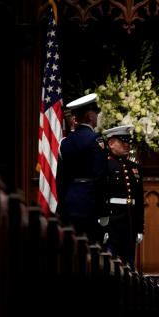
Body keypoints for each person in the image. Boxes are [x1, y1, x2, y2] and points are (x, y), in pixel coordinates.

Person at [56, 92, 107, 242]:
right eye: (95, 112)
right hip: (89, 205)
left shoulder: (65, 143)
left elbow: (61, 178)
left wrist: (63, 203)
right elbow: (100, 176)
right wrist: (103, 210)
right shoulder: (96, 141)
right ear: (89, 116)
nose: (97, 116)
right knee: (90, 250)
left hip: (69, 203)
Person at [100, 125, 144, 268]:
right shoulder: (105, 165)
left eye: (128, 141)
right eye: (122, 141)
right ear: (111, 143)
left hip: (129, 222)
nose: (127, 144)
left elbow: (138, 201)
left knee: (129, 264)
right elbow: (100, 195)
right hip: (112, 222)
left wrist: (139, 228)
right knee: (112, 264)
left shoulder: (134, 168)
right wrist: (103, 227)